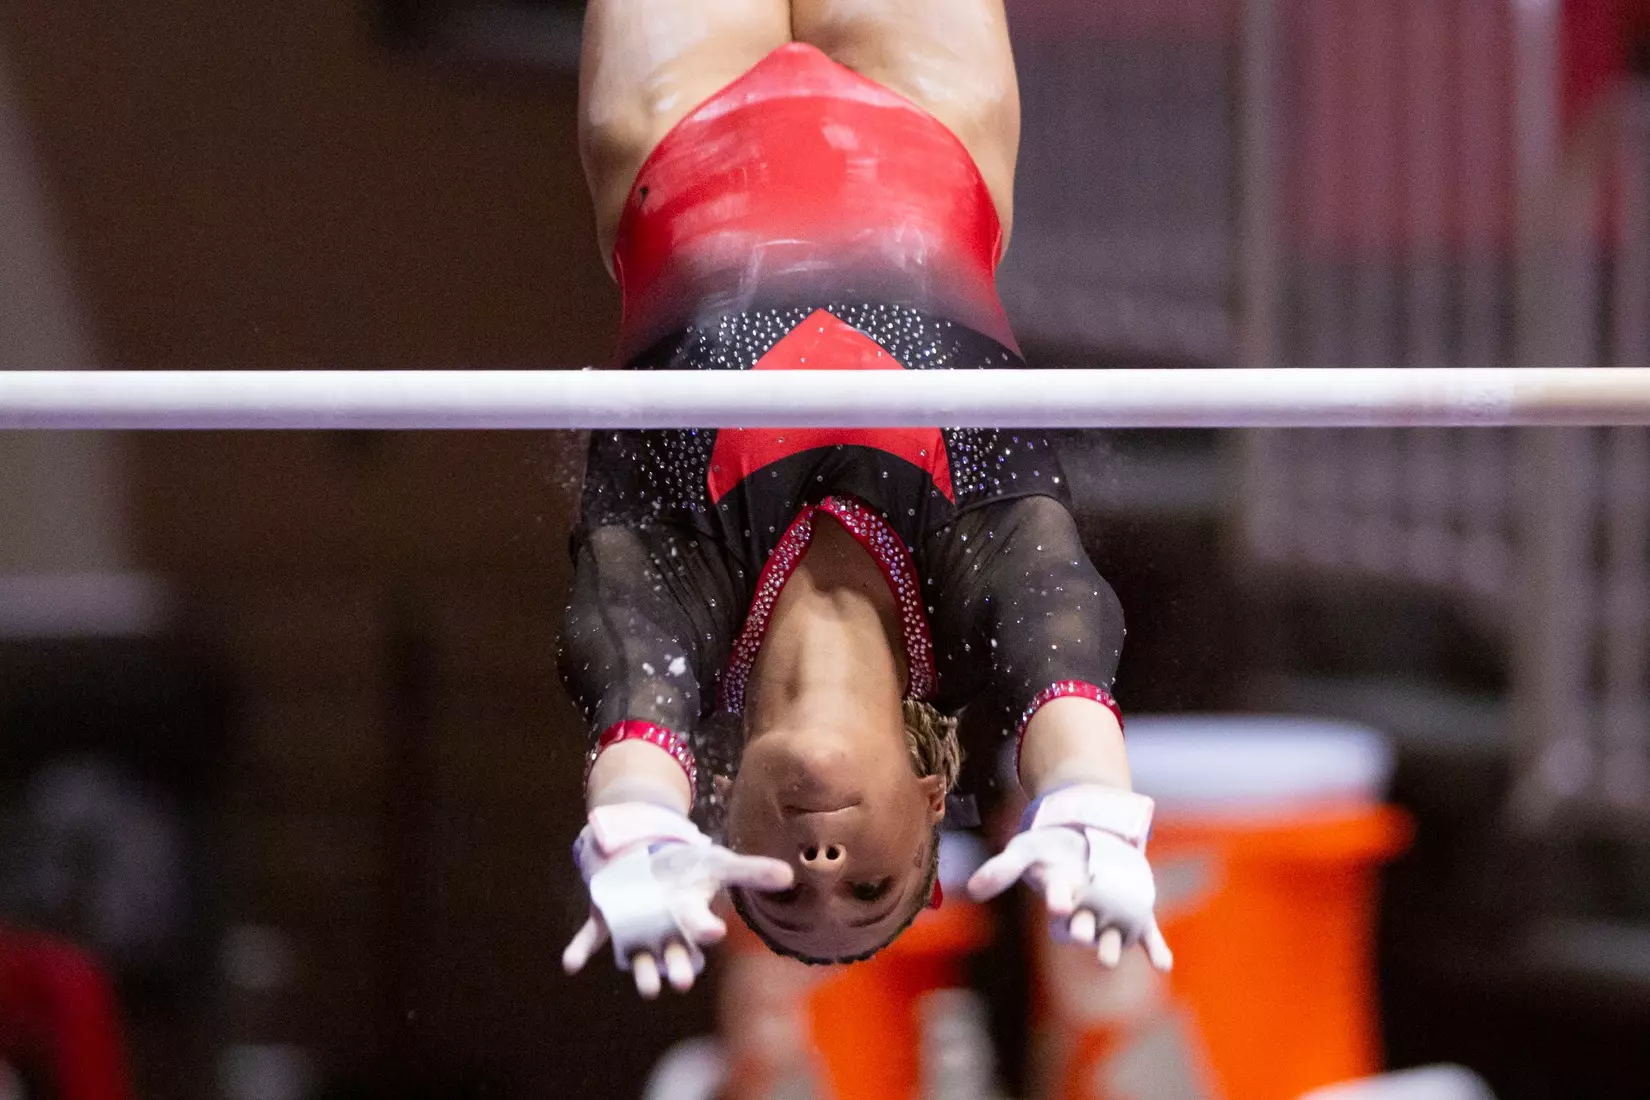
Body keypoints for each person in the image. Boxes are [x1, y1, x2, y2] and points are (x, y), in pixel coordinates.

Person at [558, 0, 1172, 999]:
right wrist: (1094, 802)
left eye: (784, 894)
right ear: (933, 798)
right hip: (926, 107)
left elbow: (632, 699)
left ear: (717, 817)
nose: (824, 872)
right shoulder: (974, 602)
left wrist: (632, 827)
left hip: (675, 115)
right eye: (875, 884)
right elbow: (1062, 635)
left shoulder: (683, 614)